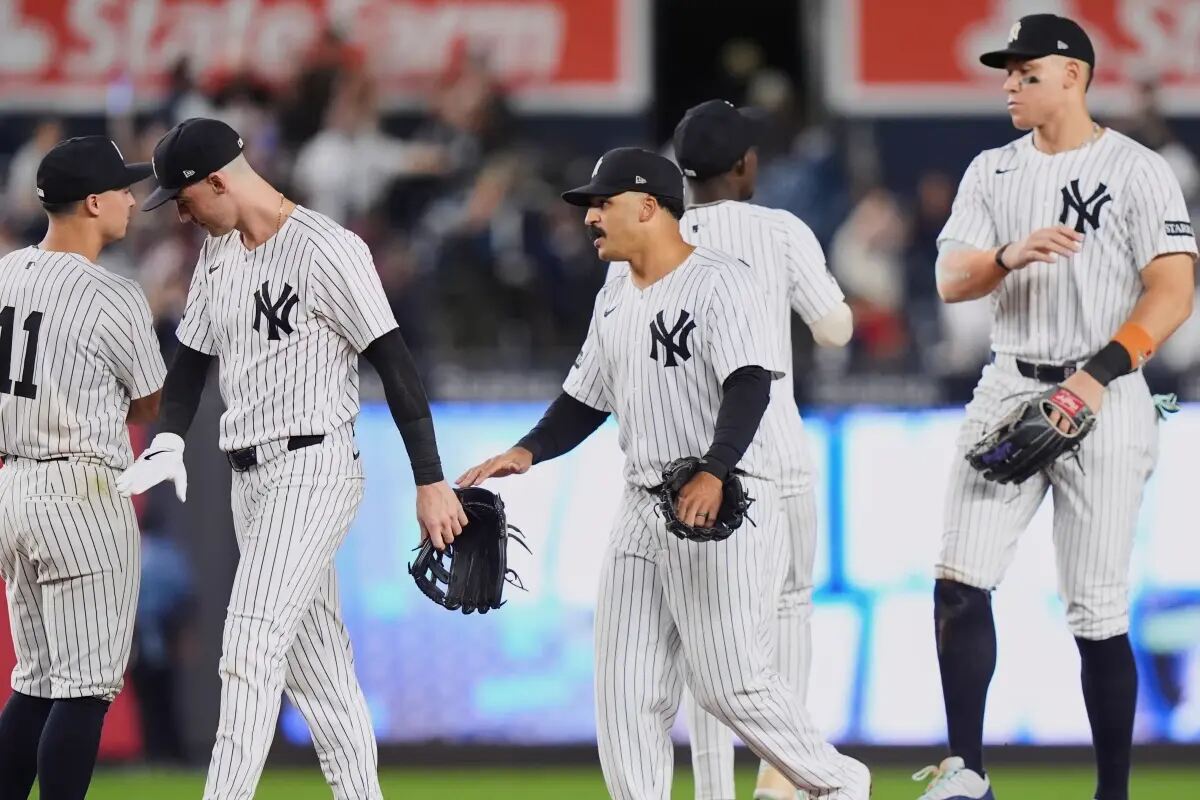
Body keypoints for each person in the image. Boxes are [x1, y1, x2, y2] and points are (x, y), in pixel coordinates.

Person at [458, 147, 870, 800]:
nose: (590, 216)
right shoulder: (615, 292)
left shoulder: (721, 280)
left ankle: (840, 781)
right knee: (624, 692)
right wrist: (529, 449)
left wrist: (714, 469)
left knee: (726, 683)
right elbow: (586, 396)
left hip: (723, 500)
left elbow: (751, 384)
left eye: (603, 203)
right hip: (640, 505)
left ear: (649, 207)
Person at [114, 117, 467, 800]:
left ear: (217, 180)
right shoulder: (217, 253)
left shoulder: (327, 249)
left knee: (247, 645)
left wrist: (430, 480)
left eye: (183, 198)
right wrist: (168, 439)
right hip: (251, 482)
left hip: (313, 466)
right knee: (320, 676)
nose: (178, 212)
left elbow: (394, 365)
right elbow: (188, 360)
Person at [918, 15, 1197, 800]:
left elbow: (1173, 291)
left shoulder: (1139, 169)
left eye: (1025, 72)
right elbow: (949, 278)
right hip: (1010, 381)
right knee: (956, 580)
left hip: (1108, 390)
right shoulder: (991, 173)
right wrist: (1006, 254)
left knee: (1097, 612)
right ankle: (967, 771)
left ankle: (1113, 792)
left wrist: (1098, 375)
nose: (1009, 83)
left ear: (1073, 76)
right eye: (1006, 72)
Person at [665, 99, 854, 800]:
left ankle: (714, 789)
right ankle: (785, 779)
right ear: (747, 165)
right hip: (776, 452)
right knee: (789, 609)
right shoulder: (779, 231)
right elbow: (834, 329)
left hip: (688, 467)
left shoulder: (655, 235)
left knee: (707, 636)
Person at [0, 136, 164, 800]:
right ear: (92, 203)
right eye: (121, 190)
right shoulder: (113, 294)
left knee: (35, 683)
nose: (130, 199)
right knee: (87, 685)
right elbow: (151, 401)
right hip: (81, 485)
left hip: (12, 483)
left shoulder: (5, 272)